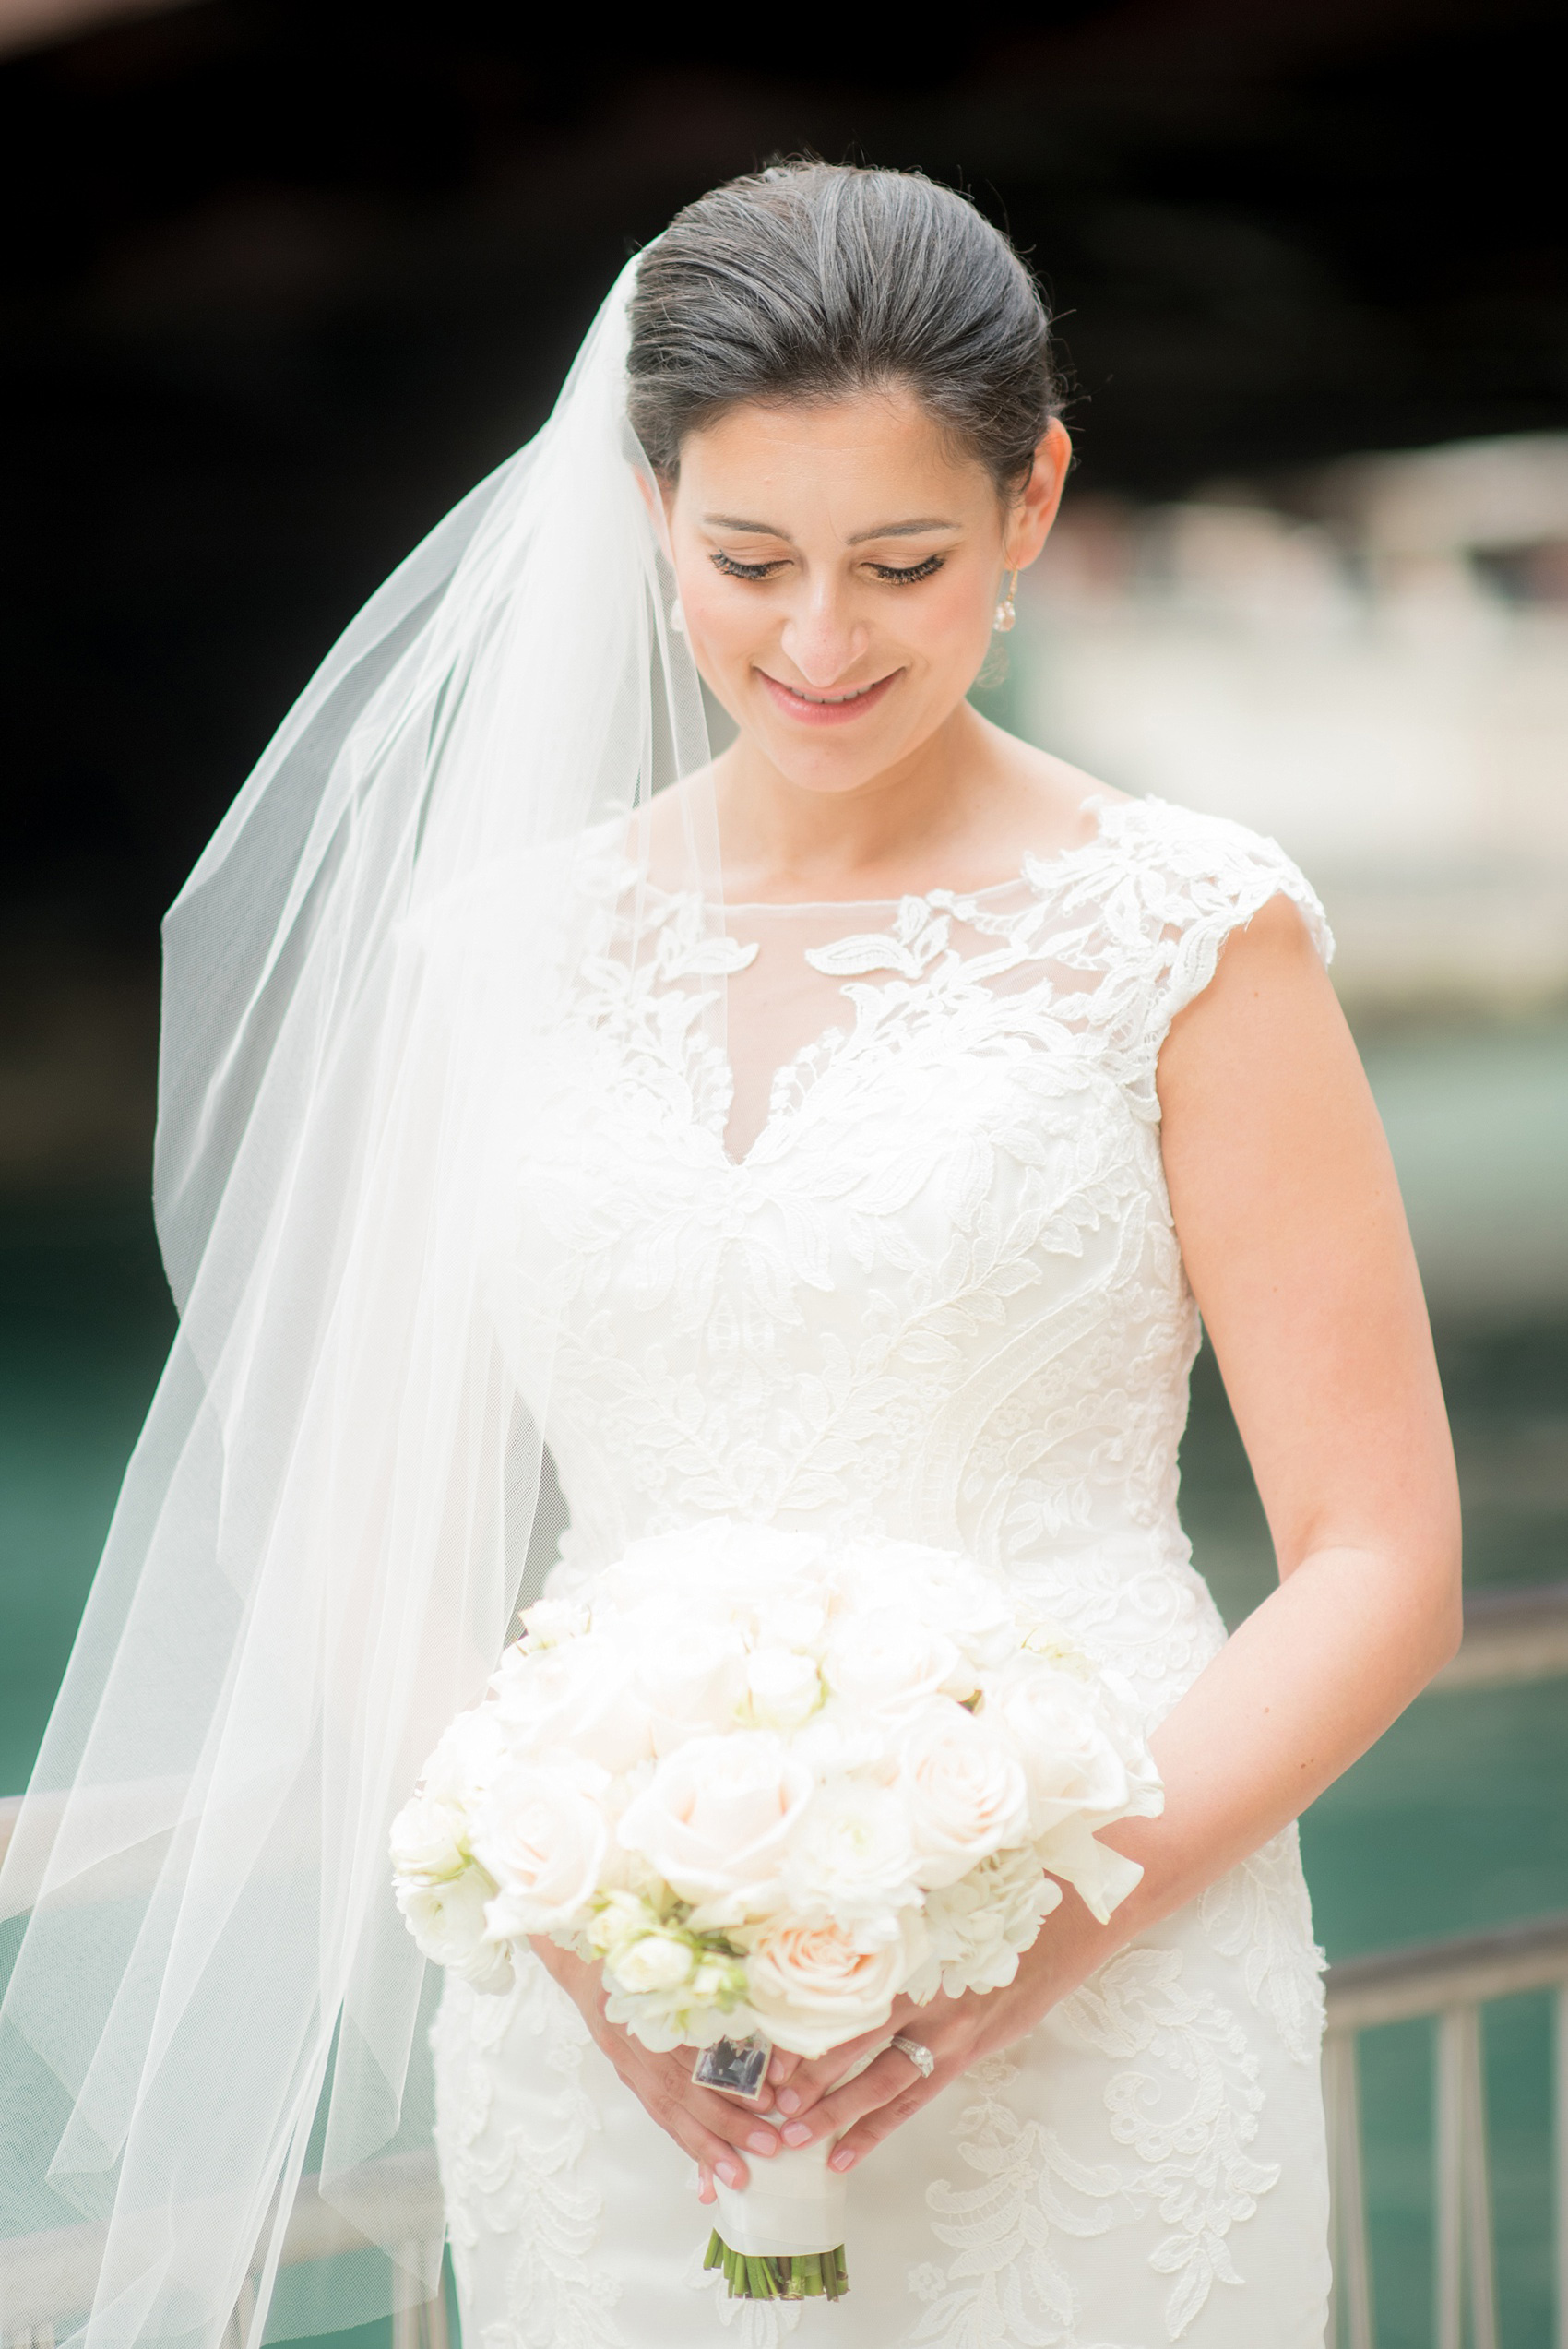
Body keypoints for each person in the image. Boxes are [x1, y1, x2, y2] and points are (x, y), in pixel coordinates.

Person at [0, 164, 1459, 2349]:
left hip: (1107, 1948)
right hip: (624, 2008)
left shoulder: (1183, 932)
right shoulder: (490, 947)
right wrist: (583, 1936)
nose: (818, 643)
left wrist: (1035, 1930)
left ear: (1033, 497)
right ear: (646, 506)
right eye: (748, 559)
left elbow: (1379, 1555)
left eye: (901, 562)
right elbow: (369, 1514)